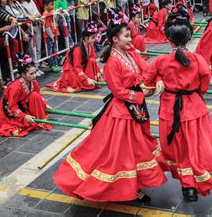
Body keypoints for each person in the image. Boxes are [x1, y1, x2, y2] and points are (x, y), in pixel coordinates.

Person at [53, 15, 167, 202]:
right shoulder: (112, 62)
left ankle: (135, 184)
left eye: (130, 36)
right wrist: (141, 95)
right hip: (122, 113)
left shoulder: (130, 53)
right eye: (127, 36)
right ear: (115, 39)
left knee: (136, 149)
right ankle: (128, 188)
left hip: (136, 109)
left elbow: (147, 69)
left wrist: (158, 79)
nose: (131, 40)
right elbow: (119, 92)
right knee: (122, 152)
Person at [143, 8, 212, 202]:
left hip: (170, 109)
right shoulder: (197, 59)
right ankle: (191, 185)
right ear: (188, 38)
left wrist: (159, 81)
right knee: (195, 146)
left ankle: (186, 182)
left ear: (169, 39)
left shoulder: (160, 61)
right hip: (195, 108)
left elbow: (147, 86)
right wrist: (195, 94)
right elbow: (205, 82)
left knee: (176, 148)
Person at [0, 53, 53, 137]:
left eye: (35, 72)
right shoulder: (15, 88)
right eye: (31, 74)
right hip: (9, 108)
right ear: (23, 75)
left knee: (35, 95)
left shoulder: (33, 81)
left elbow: (38, 95)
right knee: (23, 124)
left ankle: (38, 117)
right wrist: (24, 116)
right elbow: (12, 106)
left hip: (21, 104)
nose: (35, 75)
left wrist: (45, 105)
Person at [47, 22, 102, 93]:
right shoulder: (77, 50)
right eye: (93, 38)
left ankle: (90, 80)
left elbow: (93, 60)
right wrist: (86, 78)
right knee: (79, 87)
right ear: (86, 38)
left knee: (92, 60)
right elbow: (77, 67)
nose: (95, 39)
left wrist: (100, 71)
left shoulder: (90, 46)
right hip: (72, 68)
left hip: (81, 67)